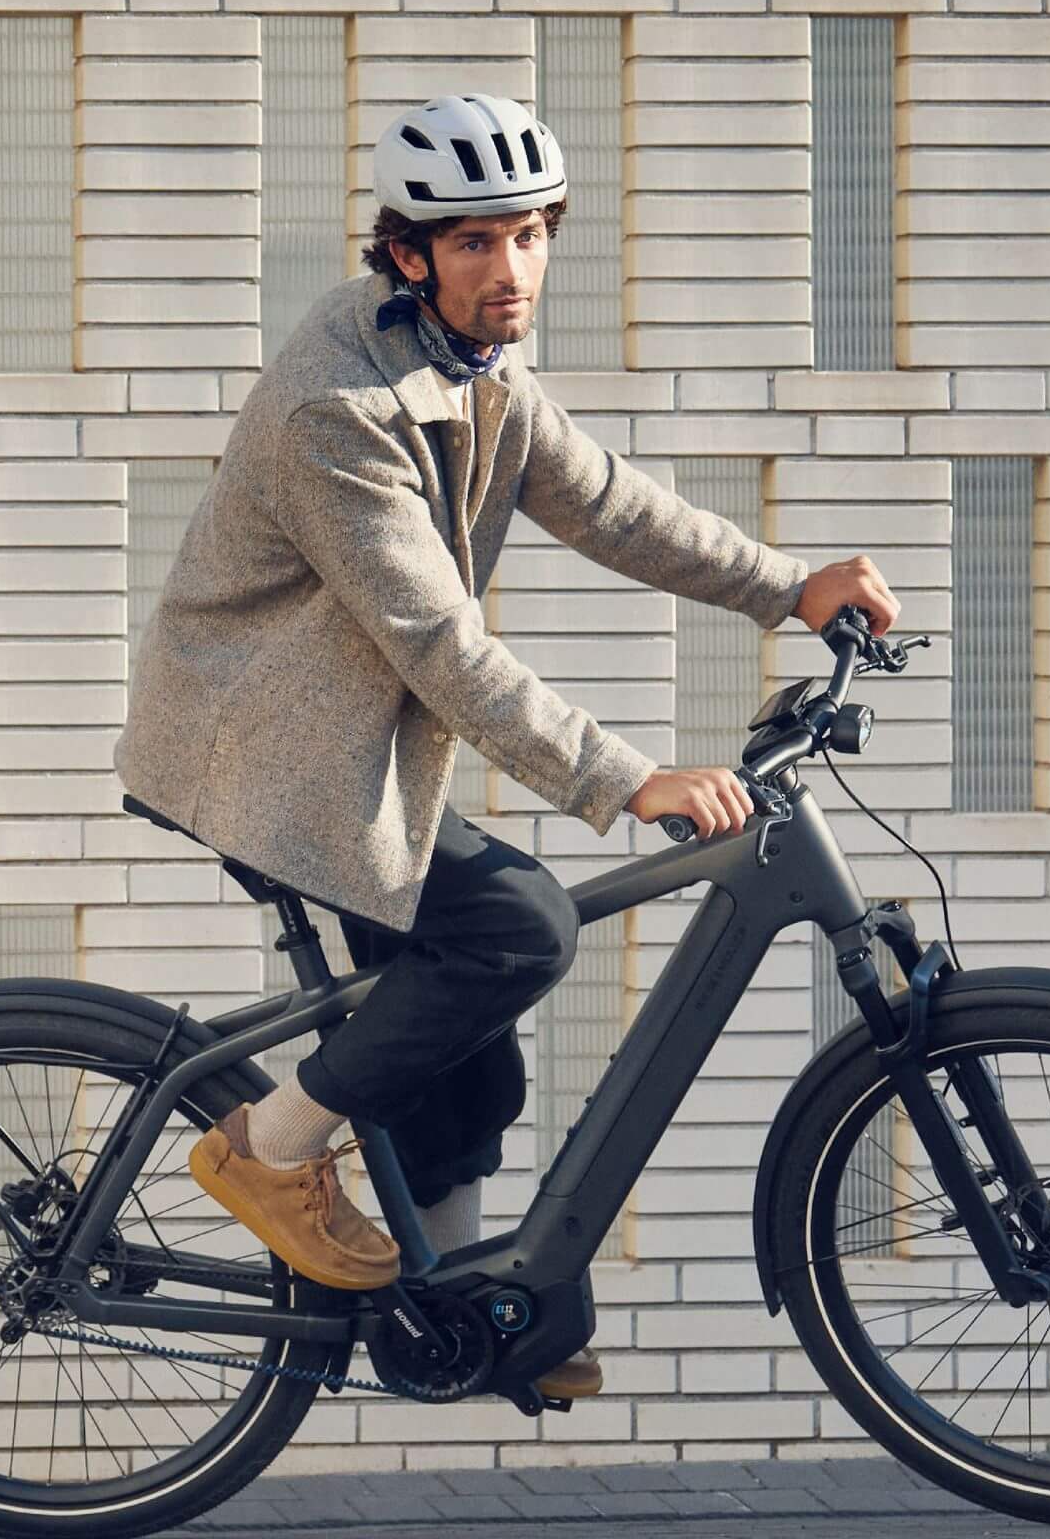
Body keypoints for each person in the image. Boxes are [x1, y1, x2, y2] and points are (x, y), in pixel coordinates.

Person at [109, 93, 900, 1399]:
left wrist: (790, 584)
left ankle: (461, 1312)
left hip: (347, 743)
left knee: (465, 1031)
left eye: (530, 236)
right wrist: (624, 777)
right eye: (475, 243)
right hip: (258, 748)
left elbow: (606, 504)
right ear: (407, 253)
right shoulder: (337, 406)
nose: (510, 269)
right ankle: (266, 1148)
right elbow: (439, 648)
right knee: (518, 929)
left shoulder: (474, 369)